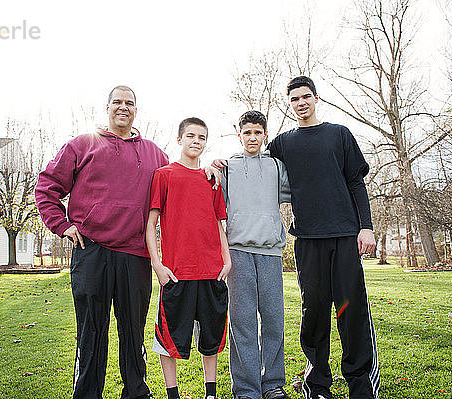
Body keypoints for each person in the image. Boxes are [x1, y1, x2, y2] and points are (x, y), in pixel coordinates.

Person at [34, 86, 169, 399]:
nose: (123, 107)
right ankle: (87, 393)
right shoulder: (82, 145)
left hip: (136, 255)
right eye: (117, 102)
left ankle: (136, 392)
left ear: (137, 110)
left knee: (132, 331)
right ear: (107, 107)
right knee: (91, 330)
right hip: (91, 251)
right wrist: (62, 225)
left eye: (129, 103)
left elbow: (177, 183)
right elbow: (46, 188)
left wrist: (208, 171)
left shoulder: (153, 153)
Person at [267, 76, 379, 399]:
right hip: (307, 240)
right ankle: (317, 385)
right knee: (314, 311)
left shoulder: (338, 135)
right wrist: (222, 164)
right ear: (289, 104)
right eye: (294, 99)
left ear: (317, 98)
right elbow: (257, 163)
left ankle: (361, 384)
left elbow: (357, 183)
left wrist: (366, 226)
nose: (301, 103)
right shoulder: (283, 143)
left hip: (344, 236)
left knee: (350, 310)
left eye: (306, 96)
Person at [145, 117, 231, 399]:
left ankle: (211, 392)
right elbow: (152, 223)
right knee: (168, 340)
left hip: (211, 271)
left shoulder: (211, 179)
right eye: (191, 136)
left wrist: (226, 260)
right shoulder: (164, 175)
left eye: (202, 137)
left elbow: (219, 222)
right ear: (180, 139)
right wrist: (157, 264)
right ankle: (173, 394)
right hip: (177, 273)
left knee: (212, 336)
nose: (196, 141)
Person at [220, 111, 292, 399]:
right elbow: (212, 201)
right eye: (247, 132)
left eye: (258, 132)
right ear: (239, 135)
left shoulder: (276, 167)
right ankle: (247, 389)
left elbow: (296, 193)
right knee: (243, 322)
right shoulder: (227, 167)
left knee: (274, 320)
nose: (252, 137)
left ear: (265, 135)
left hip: (271, 253)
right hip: (238, 253)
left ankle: (272, 383)